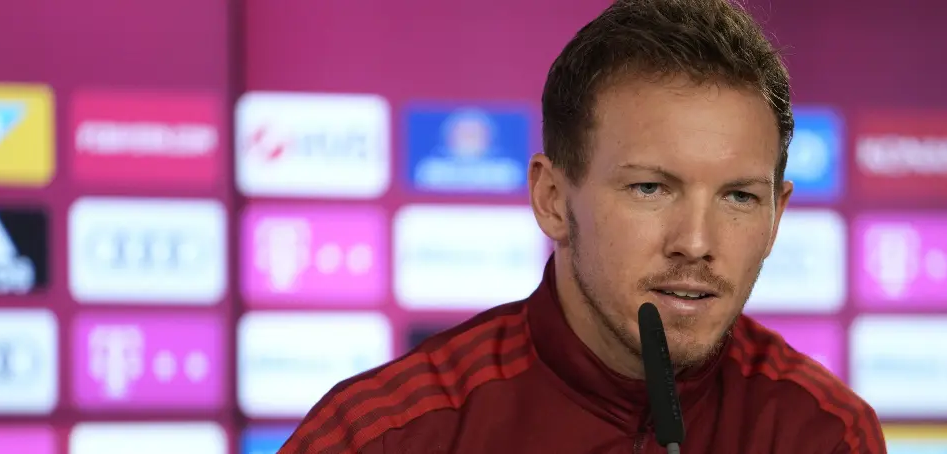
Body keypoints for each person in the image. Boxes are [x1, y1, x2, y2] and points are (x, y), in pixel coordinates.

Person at [279, 0, 886, 452]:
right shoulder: (382, 435)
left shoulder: (822, 433)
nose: (696, 243)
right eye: (650, 188)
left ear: (777, 216)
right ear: (551, 199)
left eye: (738, 197)